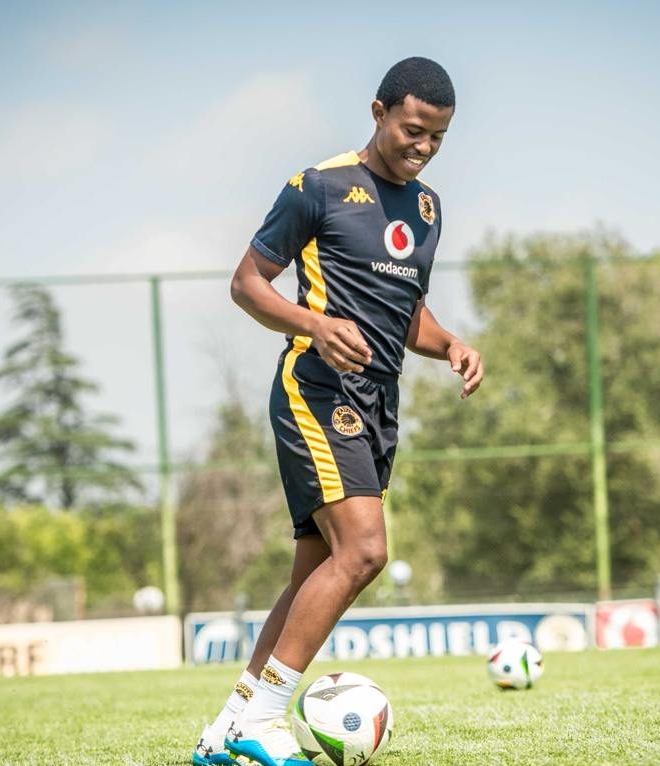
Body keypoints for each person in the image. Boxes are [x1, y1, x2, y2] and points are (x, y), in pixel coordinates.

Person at [194, 56, 483, 766]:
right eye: (414, 130)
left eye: (438, 138)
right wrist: (312, 324)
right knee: (364, 550)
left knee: (312, 576)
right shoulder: (317, 187)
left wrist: (449, 345)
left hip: (379, 402)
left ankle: (223, 732)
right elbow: (246, 283)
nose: (422, 147)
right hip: (316, 389)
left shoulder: (426, 209)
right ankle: (264, 721)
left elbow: (404, 310)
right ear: (380, 111)